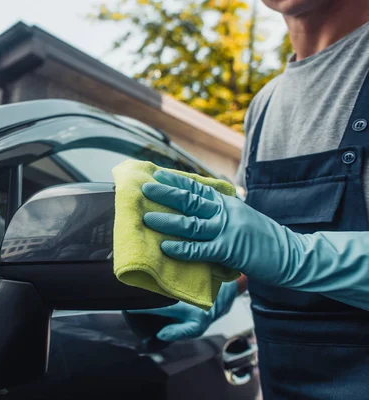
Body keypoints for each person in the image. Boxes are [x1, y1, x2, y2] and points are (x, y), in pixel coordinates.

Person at [137, 1, 369, 398]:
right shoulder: (263, 105)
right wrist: (223, 284)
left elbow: (283, 250)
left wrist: (294, 256)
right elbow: (265, 245)